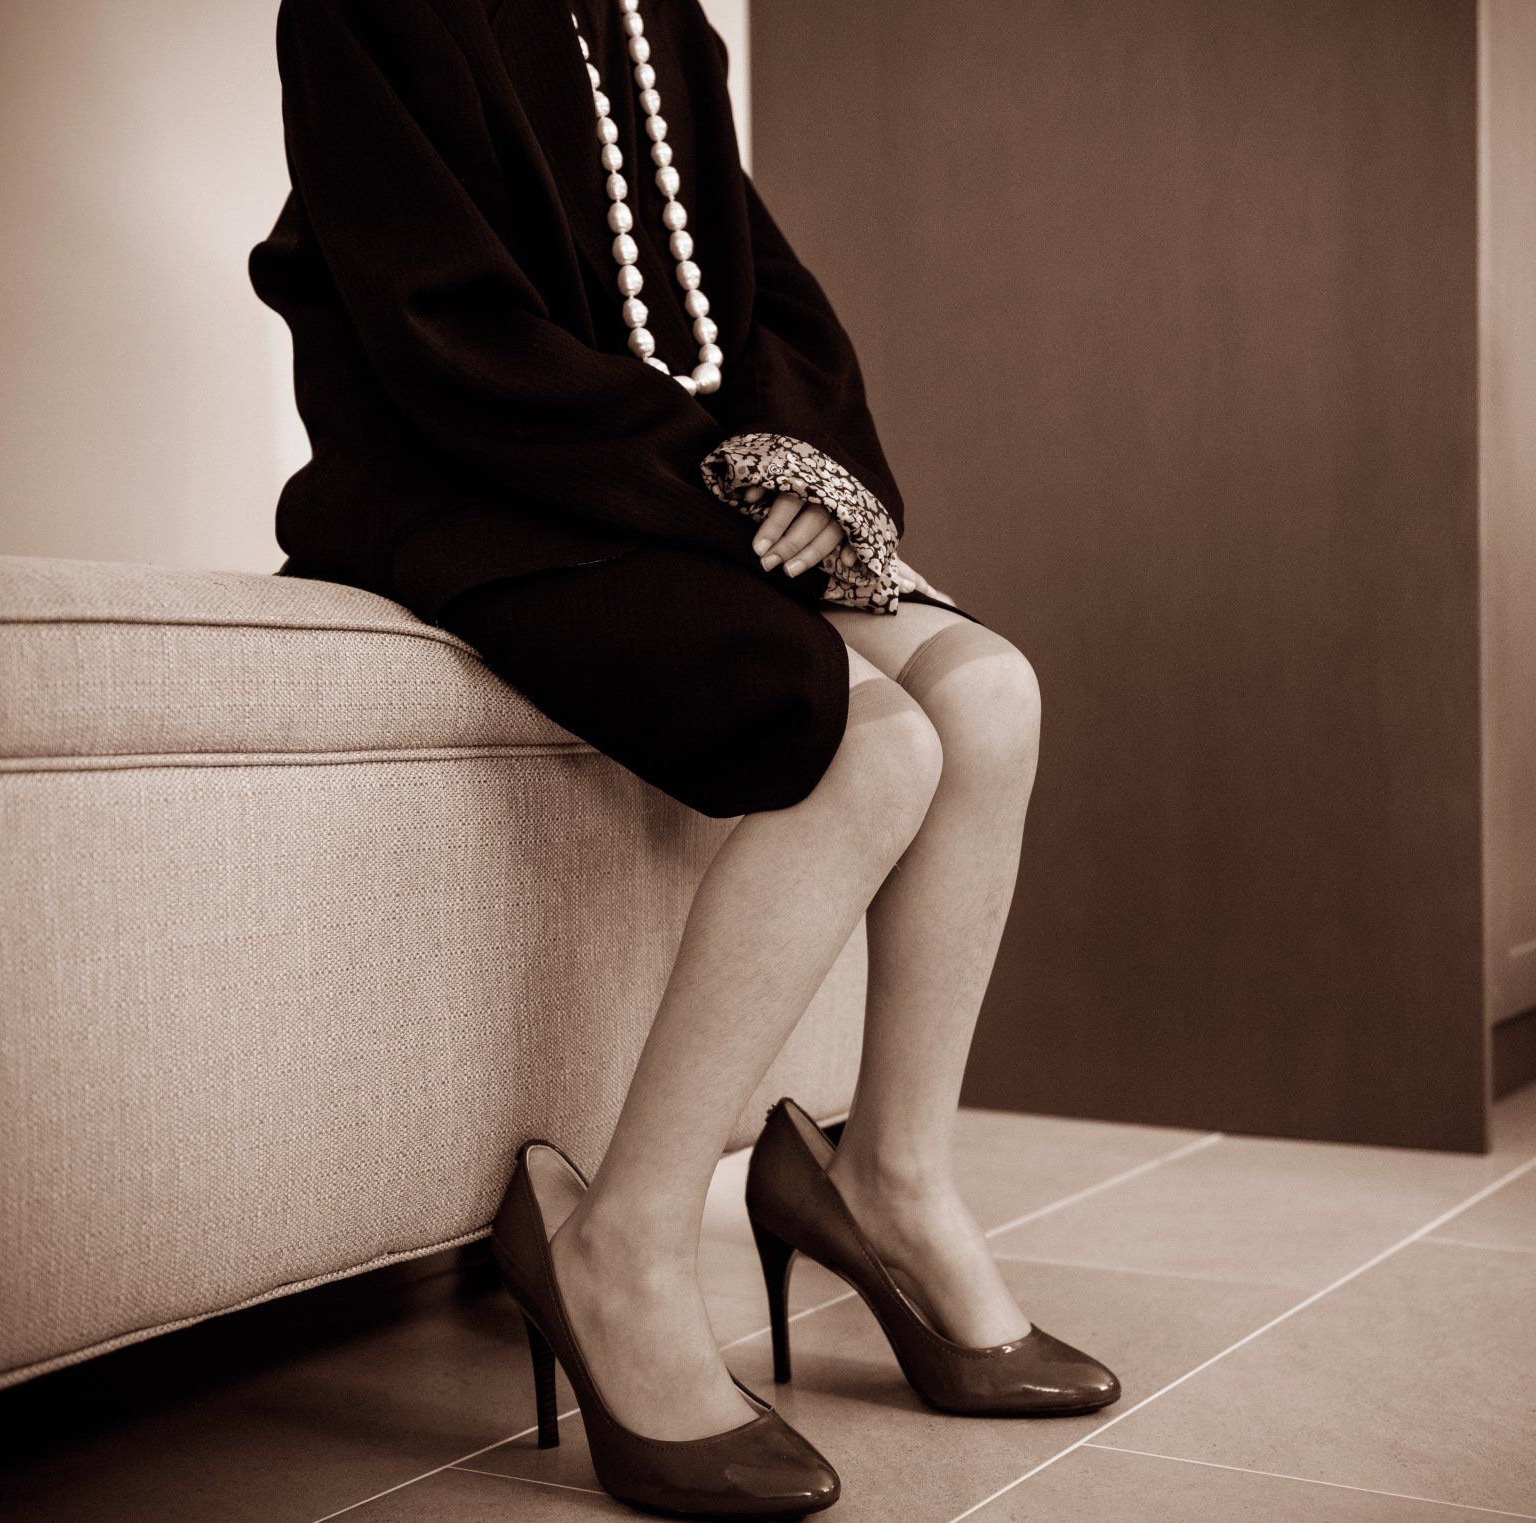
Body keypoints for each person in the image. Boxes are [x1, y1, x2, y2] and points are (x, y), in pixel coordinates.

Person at [250, 0, 1118, 1513]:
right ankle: (624, 1243)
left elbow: (763, 292)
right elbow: (440, 330)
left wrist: (806, 476)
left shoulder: (657, 13)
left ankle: (889, 1178)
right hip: (476, 491)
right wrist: (712, 486)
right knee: (866, 740)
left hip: (681, 496)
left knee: (990, 696)